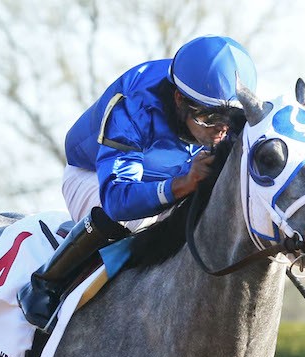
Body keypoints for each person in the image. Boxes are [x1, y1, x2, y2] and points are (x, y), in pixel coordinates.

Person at [17, 35, 259, 331]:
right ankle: (46, 283)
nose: (220, 131)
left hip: (173, 179)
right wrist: (183, 184)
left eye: (231, 120)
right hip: (94, 176)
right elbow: (117, 200)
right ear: (179, 99)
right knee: (135, 222)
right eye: (210, 118)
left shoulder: (220, 116)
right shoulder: (134, 104)